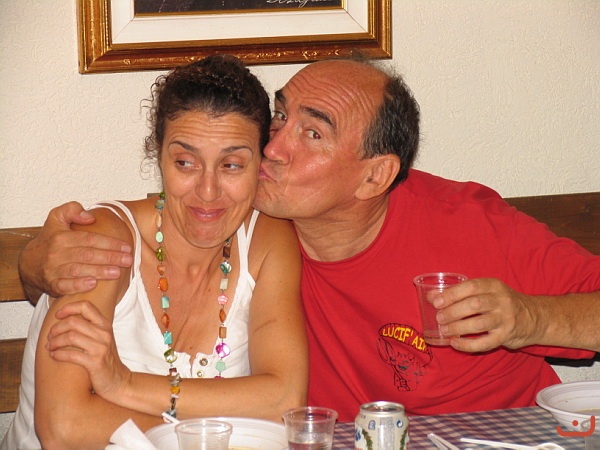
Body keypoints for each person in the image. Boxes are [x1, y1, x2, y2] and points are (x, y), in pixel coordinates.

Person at [17, 57, 600, 423]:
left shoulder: (464, 221)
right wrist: (36, 263)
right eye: (280, 116)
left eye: (313, 133)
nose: (272, 147)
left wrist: (529, 317)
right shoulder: (252, 223)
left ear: (374, 176)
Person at [2, 55, 307, 450]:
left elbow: (283, 400)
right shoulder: (102, 241)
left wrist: (123, 384)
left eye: (232, 165)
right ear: (158, 154)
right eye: (185, 162)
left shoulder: (267, 240)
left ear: (260, 165)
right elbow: (64, 427)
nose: (208, 192)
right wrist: (206, 435)